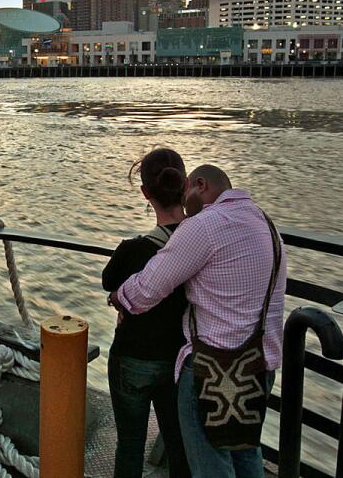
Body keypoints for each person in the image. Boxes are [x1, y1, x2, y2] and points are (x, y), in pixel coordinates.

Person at [110, 165, 286, 478]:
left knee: (210, 467)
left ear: (200, 185)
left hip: (212, 373)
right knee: (247, 454)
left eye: (187, 191)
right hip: (258, 367)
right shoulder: (264, 223)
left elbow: (149, 287)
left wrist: (118, 298)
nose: (184, 200)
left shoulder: (205, 225)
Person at [101, 148, 191, 478]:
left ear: (145, 194)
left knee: (130, 445)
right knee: (180, 443)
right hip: (180, 362)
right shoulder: (203, 245)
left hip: (132, 359)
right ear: (185, 186)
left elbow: (108, 282)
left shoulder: (132, 250)